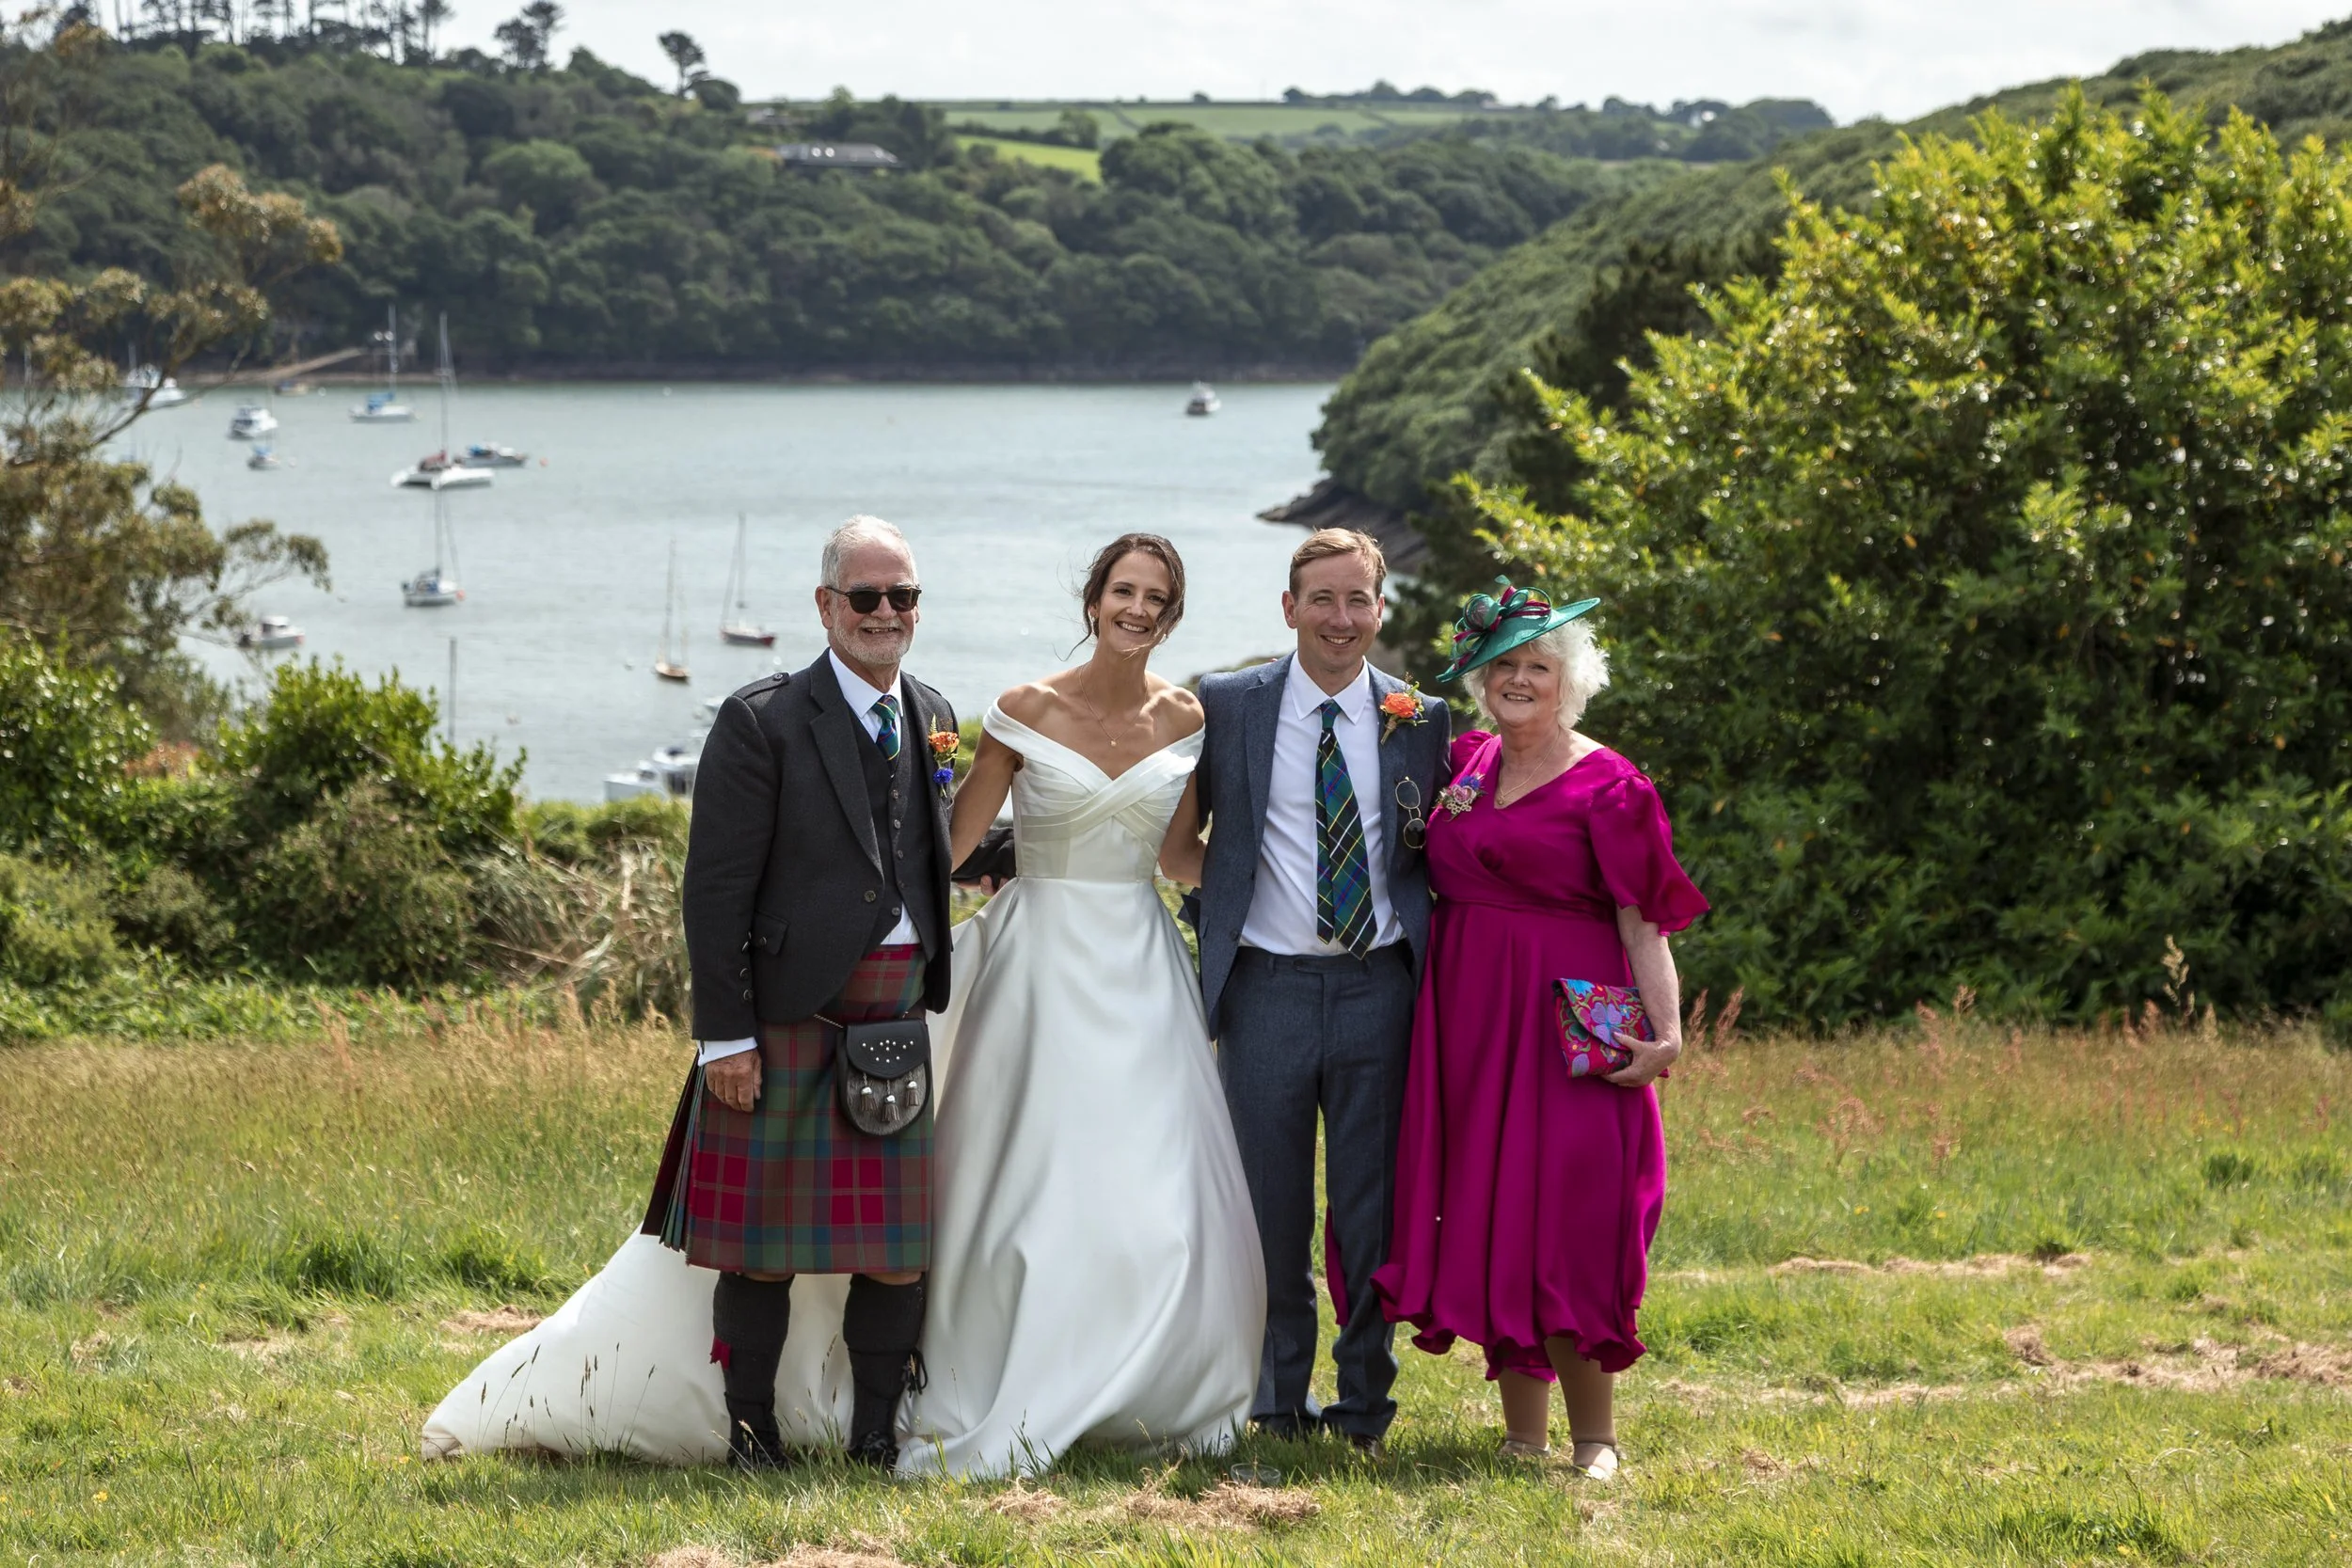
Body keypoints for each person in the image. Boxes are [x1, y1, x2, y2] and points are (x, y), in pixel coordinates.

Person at [420, 515, 958, 1472]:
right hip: (792, 1016)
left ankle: (875, 1433)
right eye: (866, 596)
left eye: (902, 595)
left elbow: (926, 847)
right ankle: (752, 1430)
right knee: (763, 1249)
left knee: (896, 1248)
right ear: (826, 605)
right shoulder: (764, 719)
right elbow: (713, 891)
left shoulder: (930, 709)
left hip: (894, 1020)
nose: (886, 612)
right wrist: (726, 1039)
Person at [900, 532, 1264, 1479]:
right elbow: (952, 845)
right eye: (1123, 590)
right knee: (1032, 1175)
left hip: (1139, 961)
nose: (1137, 608)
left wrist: (1282, 866)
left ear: (1172, 613)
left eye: (1157, 596)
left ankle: (1149, 1372)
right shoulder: (1024, 707)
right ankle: (1014, 1360)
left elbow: (1179, 855)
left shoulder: (1187, 715)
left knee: (1150, 1178)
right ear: (1093, 599)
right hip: (1038, 958)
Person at [1369, 582, 1708, 1480]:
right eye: (1505, 665)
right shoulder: (1466, 760)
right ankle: (1523, 1436)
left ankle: (1595, 1437)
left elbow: (1647, 924)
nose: (1520, 680)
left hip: (1566, 1022)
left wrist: (1666, 1034)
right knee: (1493, 1210)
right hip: (1469, 1022)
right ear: (1481, 677)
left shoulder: (1613, 784)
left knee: (1572, 1218)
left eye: (1540, 668)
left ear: (1571, 681)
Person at [1160, 528, 1451, 1455]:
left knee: (1370, 1211)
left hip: (1381, 990)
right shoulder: (1230, 704)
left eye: (1357, 598)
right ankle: (1276, 1397)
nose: (1340, 616)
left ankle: (1364, 1400)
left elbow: (1435, 849)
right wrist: (1240, 889)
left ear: (1379, 608)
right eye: (1321, 598)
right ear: (1288, 608)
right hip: (1267, 992)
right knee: (1268, 1207)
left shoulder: (1421, 716)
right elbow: (1180, 845)